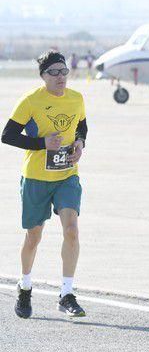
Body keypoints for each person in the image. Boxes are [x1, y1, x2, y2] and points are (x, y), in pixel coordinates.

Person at [1, 50, 88, 318]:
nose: (61, 77)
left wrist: (80, 143)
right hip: (36, 178)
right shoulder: (31, 101)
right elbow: (7, 135)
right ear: (43, 76)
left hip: (66, 175)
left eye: (64, 71)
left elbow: (81, 126)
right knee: (34, 237)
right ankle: (25, 286)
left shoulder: (76, 98)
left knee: (71, 230)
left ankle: (67, 294)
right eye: (54, 72)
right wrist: (41, 143)